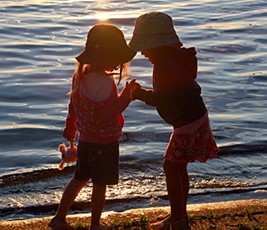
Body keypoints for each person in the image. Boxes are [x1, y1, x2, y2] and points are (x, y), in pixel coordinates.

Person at [129, 12, 219, 230]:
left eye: (145, 46)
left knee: (171, 166)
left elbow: (161, 98)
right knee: (178, 167)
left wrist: (138, 93)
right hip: (194, 117)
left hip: (187, 121)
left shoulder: (165, 64)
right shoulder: (172, 59)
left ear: (157, 45)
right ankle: (179, 217)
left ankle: (178, 219)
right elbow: (170, 94)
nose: (142, 52)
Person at [48, 24, 137, 230]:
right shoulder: (105, 83)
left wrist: (70, 131)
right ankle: (95, 224)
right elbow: (109, 112)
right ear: (108, 58)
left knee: (78, 179)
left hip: (85, 141)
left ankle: (59, 218)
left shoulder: (79, 77)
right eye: (116, 59)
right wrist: (128, 94)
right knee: (99, 184)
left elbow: (73, 109)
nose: (117, 65)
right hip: (104, 144)